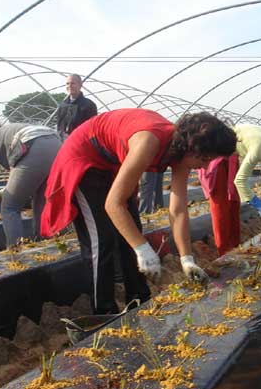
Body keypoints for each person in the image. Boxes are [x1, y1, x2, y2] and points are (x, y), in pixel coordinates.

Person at [40, 108, 237, 314]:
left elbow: (178, 210)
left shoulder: (181, 154)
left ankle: (139, 299)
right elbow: (113, 205)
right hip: (84, 158)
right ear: (192, 148)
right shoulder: (149, 141)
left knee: (132, 228)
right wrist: (143, 250)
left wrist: (186, 259)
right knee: (102, 239)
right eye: (204, 160)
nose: (205, 167)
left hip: (111, 163)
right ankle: (104, 311)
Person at [0, 115, 62, 247]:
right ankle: (45, 247)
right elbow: (21, 175)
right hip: (55, 142)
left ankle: (16, 254)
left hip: (33, 143)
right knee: (40, 205)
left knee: (9, 207)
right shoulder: (8, 133)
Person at [198, 122, 261, 256]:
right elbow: (240, 181)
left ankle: (235, 249)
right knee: (221, 206)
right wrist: (259, 205)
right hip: (218, 156)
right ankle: (223, 253)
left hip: (232, 156)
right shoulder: (259, 147)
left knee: (234, 203)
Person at [56, 74, 98, 139]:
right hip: (63, 143)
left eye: (73, 83)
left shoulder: (88, 105)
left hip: (80, 143)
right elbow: (59, 127)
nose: (69, 86)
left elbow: (91, 129)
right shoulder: (63, 105)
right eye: (67, 84)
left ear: (80, 85)